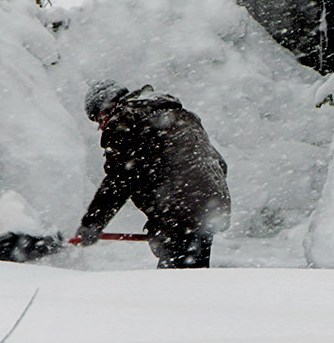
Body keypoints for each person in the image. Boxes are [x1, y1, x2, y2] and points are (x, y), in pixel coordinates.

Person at [74, 82, 231, 268]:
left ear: (110, 106)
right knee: (192, 276)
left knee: (174, 283)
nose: (102, 127)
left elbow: (120, 180)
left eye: (100, 119)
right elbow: (219, 164)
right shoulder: (180, 116)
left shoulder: (125, 120)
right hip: (211, 205)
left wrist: (92, 224)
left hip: (183, 210)